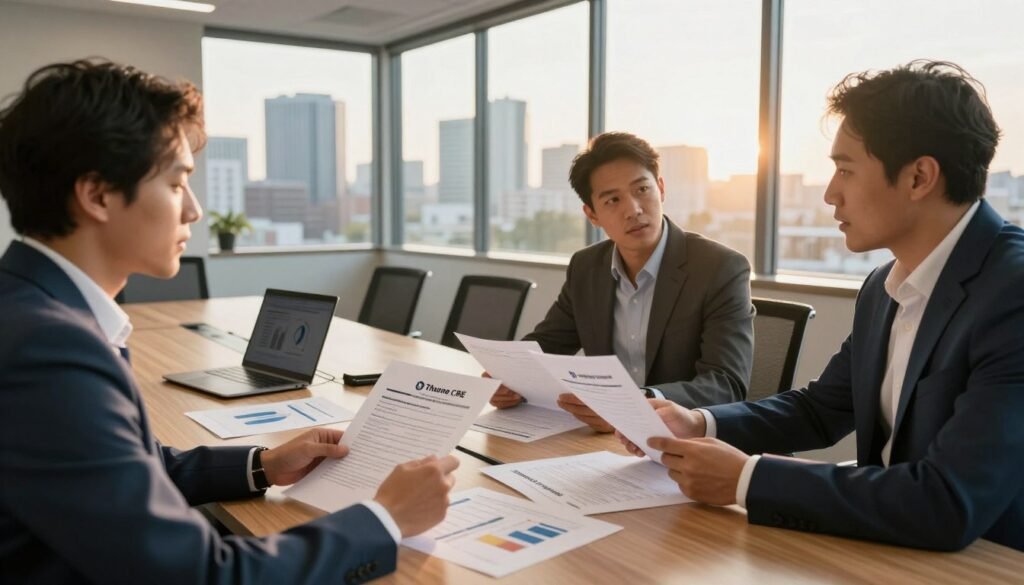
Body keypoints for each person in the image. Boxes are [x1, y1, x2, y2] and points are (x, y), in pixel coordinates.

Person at [0, 59, 459, 584]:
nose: (194, 211)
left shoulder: (32, 310)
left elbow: (127, 469)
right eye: (177, 184)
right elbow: (200, 576)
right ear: (98, 194)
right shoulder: (48, 349)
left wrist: (263, 464)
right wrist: (386, 518)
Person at [620, 61, 1023, 552]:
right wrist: (700, 421)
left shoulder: (1013, 293)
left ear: (919, 177)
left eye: (845, 170)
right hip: (890, 548)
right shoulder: (883, 287)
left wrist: (747, 479)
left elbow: (948, 501)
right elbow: (821, 409)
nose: (831, 194)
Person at [490, 132, 754, 432]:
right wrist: (510, 376)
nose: (633, 209)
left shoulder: (720, 268)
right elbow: (549, 344)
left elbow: (726, 383)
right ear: (592, 214)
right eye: (613, 200)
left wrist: (633, 404)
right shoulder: (586, 267)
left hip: (681, 442)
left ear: (662, 188)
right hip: (604, 441)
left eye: (642, 189)